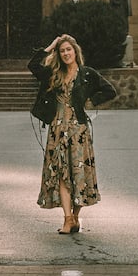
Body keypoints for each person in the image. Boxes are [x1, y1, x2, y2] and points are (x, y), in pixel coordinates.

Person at [28, 35, 117, 235]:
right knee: (61, 174)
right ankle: (68, 219)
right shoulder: (53, 74)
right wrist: (51, 46)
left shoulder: (87, 74)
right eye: (62, 51)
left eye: (69, 49)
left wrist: (90, 101)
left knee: (78, 175)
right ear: (58, 54)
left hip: (79, 131)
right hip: (57, 130)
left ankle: (75, 217)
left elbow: (110, 91)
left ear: (75, 52)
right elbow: (33, 65)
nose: (66, 53)